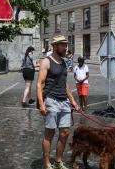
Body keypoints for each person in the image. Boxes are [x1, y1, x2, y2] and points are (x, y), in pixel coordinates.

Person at [37, 35, 80, 169]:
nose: (65, 47)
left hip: (64, 101)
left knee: (65, 132)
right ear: (55, 46)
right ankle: (47, 164)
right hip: (51, 100)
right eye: (62, 45)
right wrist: (42, 104)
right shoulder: (46, 61)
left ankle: (58, 162)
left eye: (66, 45)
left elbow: (65, 83)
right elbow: (39, 84)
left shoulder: (63, 62)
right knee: (49, 133)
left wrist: (73, 100)